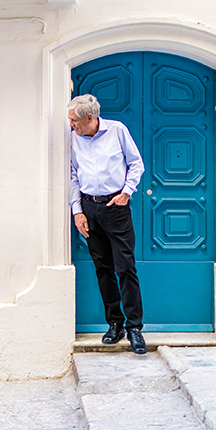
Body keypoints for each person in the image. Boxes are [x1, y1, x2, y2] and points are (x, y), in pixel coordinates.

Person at [68, 94, 147, 354]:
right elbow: (72, 174)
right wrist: (77, 210)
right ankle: (115, 324)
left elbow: (136, 164)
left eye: (74, 121)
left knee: (125, 268)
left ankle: (135, 327)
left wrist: (127, 192)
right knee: (103, 268)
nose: (72, 126)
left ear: (90, 117)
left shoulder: (117, 130)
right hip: (89, 209)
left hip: (116, 207)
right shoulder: (73, 138)